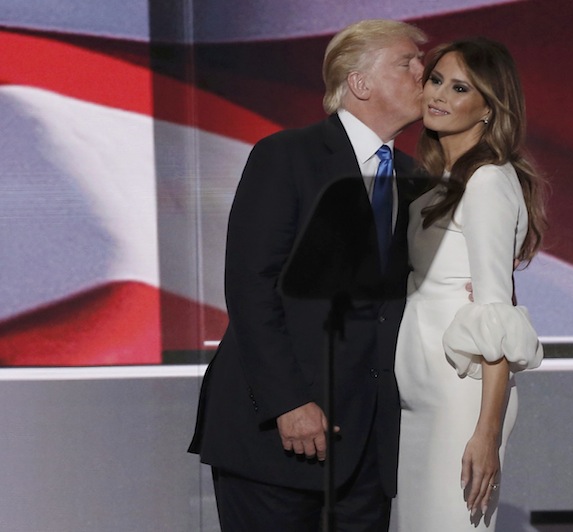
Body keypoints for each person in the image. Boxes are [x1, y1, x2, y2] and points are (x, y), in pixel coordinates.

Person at [188, 19, 428, 531]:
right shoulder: (286, 156)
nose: (422, 73)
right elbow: (252, 286)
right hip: (278, 433)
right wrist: (289, 402)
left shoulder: (413, 180)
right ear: (360, 83)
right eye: (407, 62)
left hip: (367, 447)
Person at [391, 37, 547, 531]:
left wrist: (486, 432)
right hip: (419, 395)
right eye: (435, 80)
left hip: (460, 399)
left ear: (488, 109)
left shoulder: (486, 182)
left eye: (459, 88)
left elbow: (497, 313)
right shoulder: (443, 180)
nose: (438, 95)